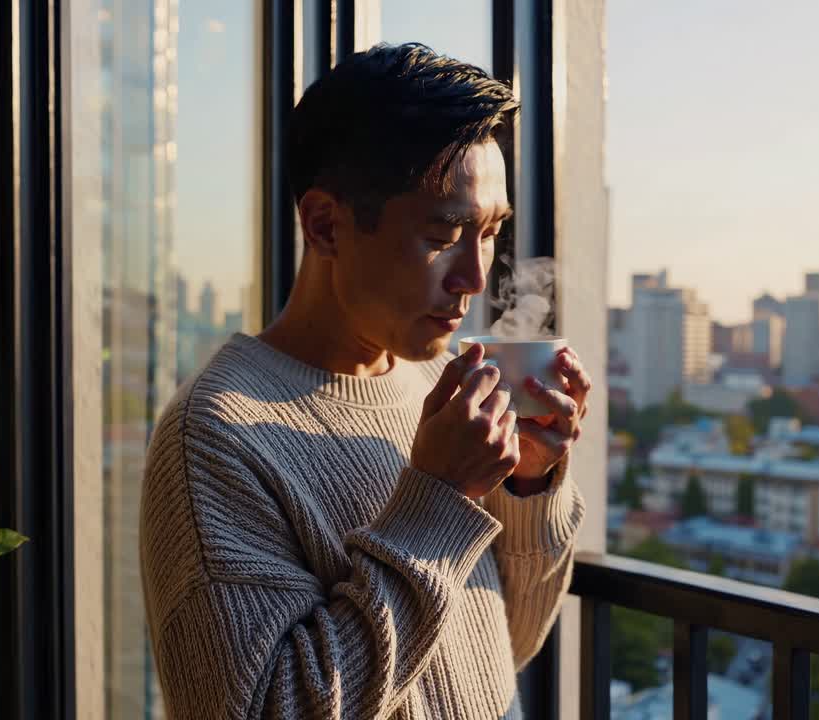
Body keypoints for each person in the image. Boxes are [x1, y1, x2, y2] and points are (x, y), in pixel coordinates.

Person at [140, 42, 590, 719]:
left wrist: (525, 485)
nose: (475, 277)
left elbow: (503, 649)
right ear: (326, 225)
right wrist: (440, 497)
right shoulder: (213, 438)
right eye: (444, 234)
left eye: (491, 232)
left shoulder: (441, 384)